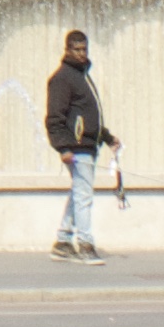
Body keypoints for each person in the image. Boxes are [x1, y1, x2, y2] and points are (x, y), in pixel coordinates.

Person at [41, 31, 116, 260]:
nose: (82, 54)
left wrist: (107, 137)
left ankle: (63, 241)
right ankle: (85, 244)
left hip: (87, 145)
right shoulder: (63, 78)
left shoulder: (81, 76)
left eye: (84, 49)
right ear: (67, 50)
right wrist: (63, 148)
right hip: (76, 148)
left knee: (78, 193)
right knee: (84, 195)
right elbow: (55, 118)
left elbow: (87, 116)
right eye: (77, 49)